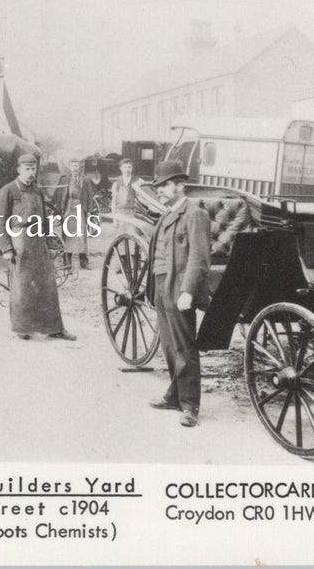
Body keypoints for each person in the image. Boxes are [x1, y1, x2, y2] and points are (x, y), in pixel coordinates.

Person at [144, 160, 211, 427]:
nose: (159, 190)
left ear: (180, 186)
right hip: (161, 285)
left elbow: (199, 256)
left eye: (163, 185)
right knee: (169, 345)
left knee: (184, 347)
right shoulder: (167, 214)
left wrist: (188, 291)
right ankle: (174, 395)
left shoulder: (195, 213)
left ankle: (190, 405)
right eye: (157, 186)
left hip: (179, 287)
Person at [0, 153, 77, 342]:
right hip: (20, 241)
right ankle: (22, 327)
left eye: (33, 169)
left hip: (39, 240)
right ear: (19, 170)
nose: (31, 173)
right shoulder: (8, 191)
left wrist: (50, 244)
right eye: (27, 169)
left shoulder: (38, 191)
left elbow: (45, 220)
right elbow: (0, 222)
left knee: (48, 286)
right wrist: (6, 248)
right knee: (22, 285)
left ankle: (55, 327)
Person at [55, 158, 96, 269]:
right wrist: (59, 210)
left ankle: (83, 262)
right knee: (67, 233)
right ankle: (67, 263)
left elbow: (89, 195)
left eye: (76, 166)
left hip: (80, 207)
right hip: (68, 206)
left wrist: (89, 211)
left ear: (80, 167)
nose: (75, 168)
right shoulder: (64, 179)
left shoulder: (85, 180)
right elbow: (58, 195)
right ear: (69, 167)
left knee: (81, 234)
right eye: (73, 166)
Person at [111, 158, 141, 236]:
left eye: (129, 167)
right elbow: (113, 203)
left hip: (133, 215)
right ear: (121, 168)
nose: (127, 169)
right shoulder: (116, 183)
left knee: (134, 239)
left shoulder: (138, 181)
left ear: (132, 168)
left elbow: (142, 200)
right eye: (125, 167)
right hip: (120, 214)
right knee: (120, 240)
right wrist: (114, 219)